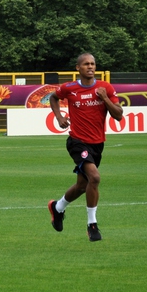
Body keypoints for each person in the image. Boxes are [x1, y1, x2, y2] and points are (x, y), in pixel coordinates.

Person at [47, 53, 123, 242]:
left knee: (82, 185)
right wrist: (59, 117)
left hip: (97, 144)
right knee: (95, 177)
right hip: (77, 141)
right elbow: (53, 97)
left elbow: (119, 115)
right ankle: (92, 224)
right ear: (78, 68)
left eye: (93, 64)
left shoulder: (105, 88)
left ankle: (57, 207)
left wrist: (104, 98)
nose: (90, 67)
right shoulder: (69, 88)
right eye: (86, 64)